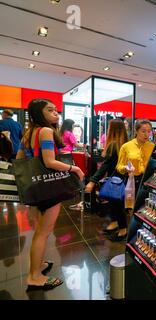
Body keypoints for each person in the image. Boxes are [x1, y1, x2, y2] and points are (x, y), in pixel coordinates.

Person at [16, 99, 84, 291]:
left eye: (56, 110)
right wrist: (74, 168)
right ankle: (35, 276)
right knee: (43, 233)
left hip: (35, 188)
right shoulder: (45, 131)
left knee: (39, 232)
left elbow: (20, 160)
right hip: (49, 189)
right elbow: (49, 161)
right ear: (39, 113)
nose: (56, 113)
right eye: (50, 110)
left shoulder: (29, 133)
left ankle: (38, 266)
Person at [110, 120, 154, 241]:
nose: (146, 134)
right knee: (130, 209)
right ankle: (130, 233)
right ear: (136, 131)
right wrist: (125, 168)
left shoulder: (152, 147)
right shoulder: (126, 146)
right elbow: (119, 166)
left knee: (145, 209)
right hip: (131, 180)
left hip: (148, 182)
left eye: (149, 131)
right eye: (143, 131)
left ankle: (142, 235)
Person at [84, 119, 128, 232]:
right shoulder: (125, 144)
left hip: (115, 180)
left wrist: (92, 181)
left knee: (116, 204)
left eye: (109, 127)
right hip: (123, 179)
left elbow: (106, 166)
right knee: (116, 203)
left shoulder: (113, 145)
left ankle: (123, 229)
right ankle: (114, 223)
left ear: (112, 130)